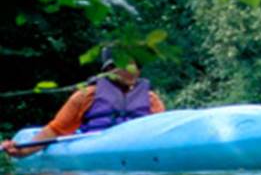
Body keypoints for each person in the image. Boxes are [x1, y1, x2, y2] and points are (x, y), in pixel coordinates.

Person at [1, 58, 166, 159]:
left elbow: (162, 132)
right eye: (127, 66)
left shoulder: (151, 99)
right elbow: (56, 130)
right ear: (109, 70)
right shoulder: (86, 96)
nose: (134, 71)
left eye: (136, 66)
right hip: (95, 146)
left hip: (137, 147)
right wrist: (23, 152)